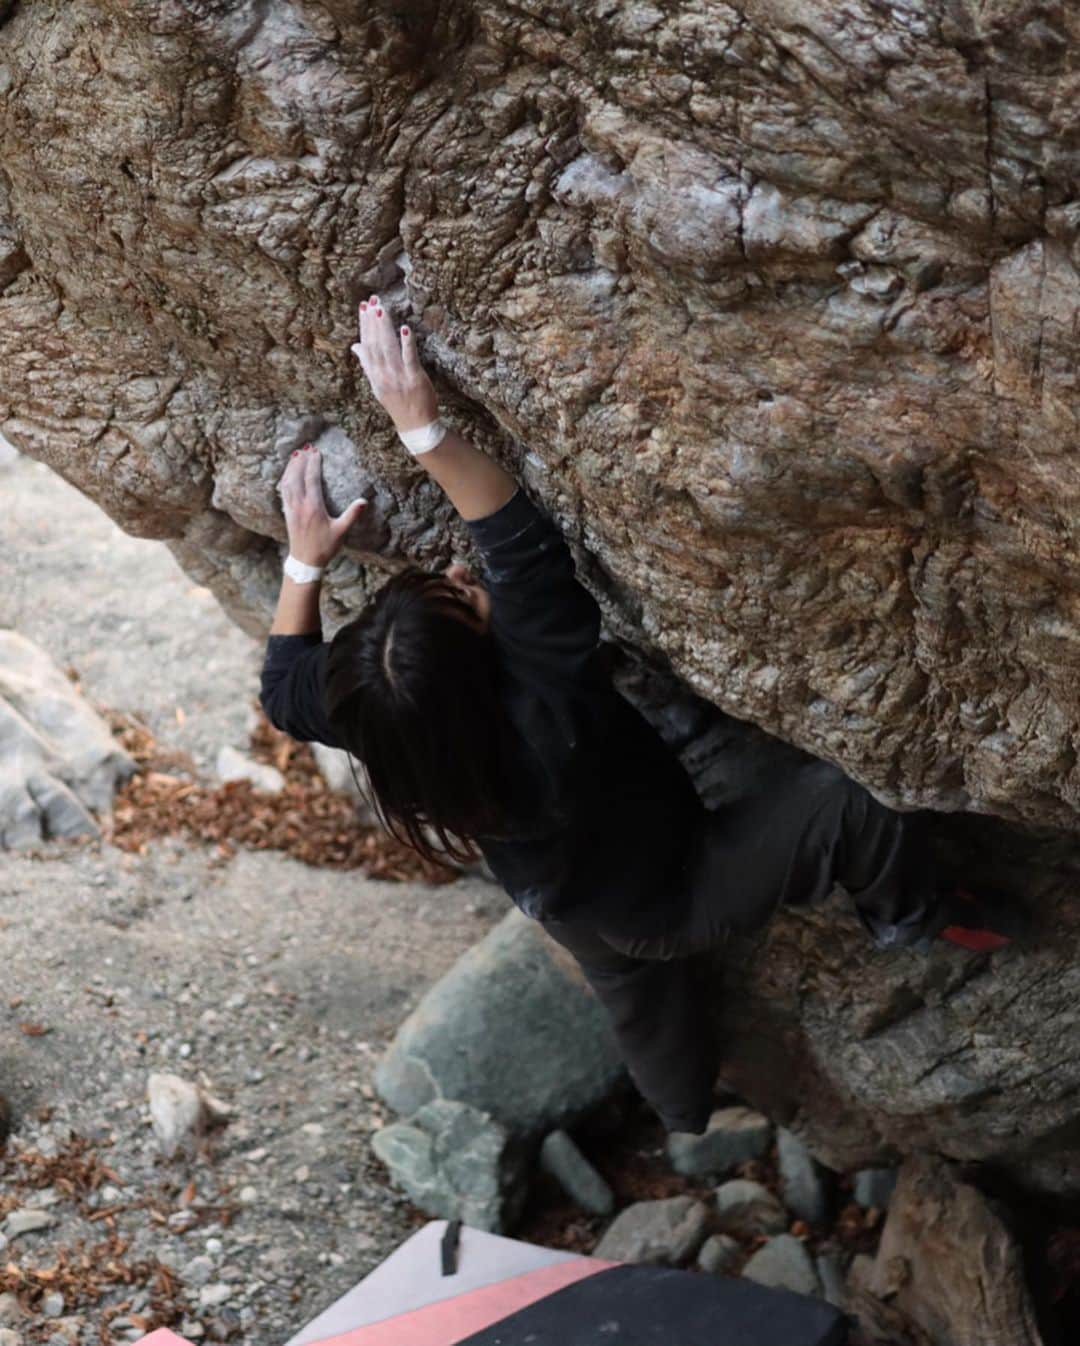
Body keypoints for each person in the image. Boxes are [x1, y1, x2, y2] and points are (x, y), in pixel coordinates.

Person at [260, 295, 1025, 1135]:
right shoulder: (546, 700)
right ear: (493, 665)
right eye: (465, 603)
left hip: (567, 901)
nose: (466, 578)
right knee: (855, 811)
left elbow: (284, 688)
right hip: (676, 888)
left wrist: (304, 562)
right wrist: (421, 428)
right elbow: (517, 542)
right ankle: (911, 915)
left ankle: (685, 1118)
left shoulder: (386, 716)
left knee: (642, 1012)